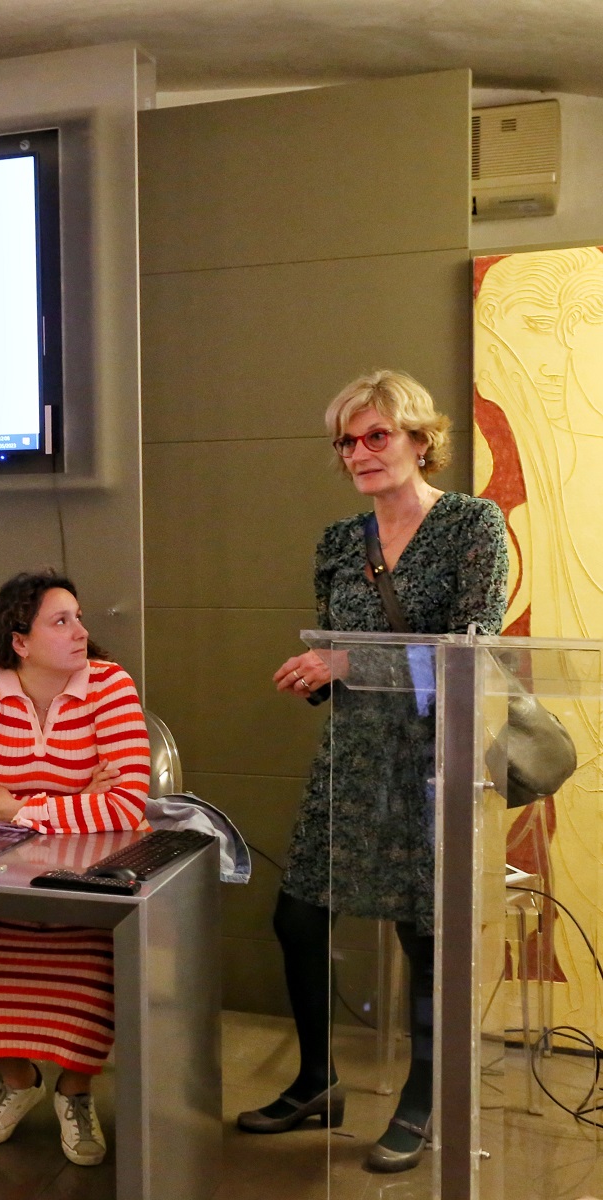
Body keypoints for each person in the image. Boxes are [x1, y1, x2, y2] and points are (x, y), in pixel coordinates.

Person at [239, 370, 507, 1173]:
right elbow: (339, 660)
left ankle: (422, 1104)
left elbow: (472, 656)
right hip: (349, 759)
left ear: (422, 438)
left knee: (423, 938)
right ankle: (318, 1080)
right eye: (347, 441)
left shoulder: (472, 525)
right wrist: (316, 672)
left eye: (377, 435)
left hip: (433, 764)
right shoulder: (336, 541)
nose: (359, 452)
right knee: (296, 918)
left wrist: (346, 658)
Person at [0, 572, 150, 1168]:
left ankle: (75, 1092)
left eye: (79, 618)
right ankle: (18, 1081)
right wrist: (76, 794)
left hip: (91, 879)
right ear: (21, 641)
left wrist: (14, 805)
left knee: (89, 982)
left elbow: (125, 806)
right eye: (62, 622)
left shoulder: (110, 686)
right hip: (0, 879)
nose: (82, 632)